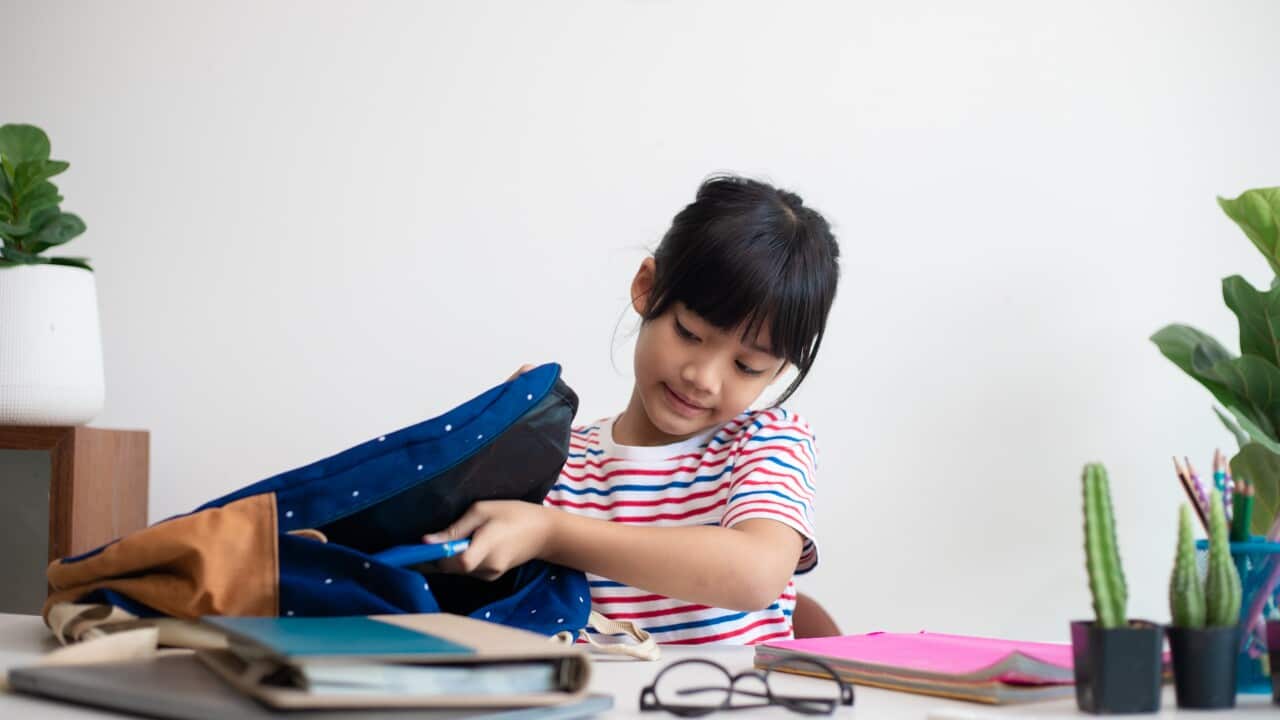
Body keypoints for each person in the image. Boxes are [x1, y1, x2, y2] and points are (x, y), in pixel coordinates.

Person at [425, 175, 840, 644]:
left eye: (746, 366)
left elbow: (755, 573)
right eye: (689, 334)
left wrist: (552, 534)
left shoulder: (767, 442)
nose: (703, 377)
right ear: (646, 288)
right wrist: (493, 456)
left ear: (778, 371)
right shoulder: (559, 459)